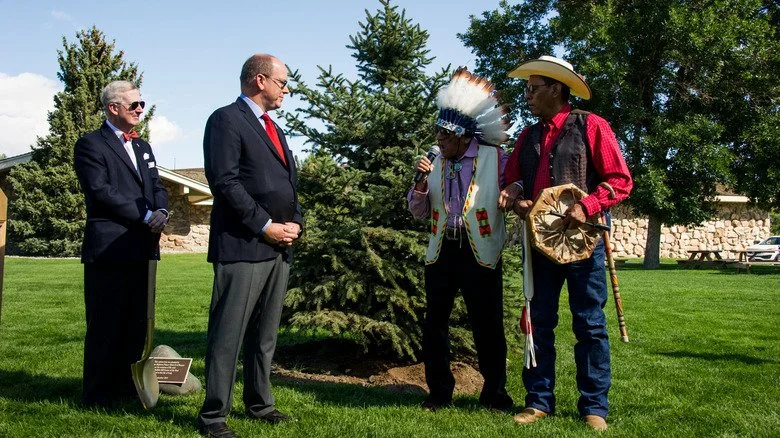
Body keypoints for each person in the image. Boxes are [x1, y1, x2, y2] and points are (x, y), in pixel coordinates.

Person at [499, 55, 633, 431]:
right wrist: (515, 195)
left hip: (583, 246)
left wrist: (588, 205)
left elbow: (620, 180)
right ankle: (538, 401)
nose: (527, 95)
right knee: (538, 323)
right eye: (527, 88)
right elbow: (514, 180)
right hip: (539, 245)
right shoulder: (527, 136)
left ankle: (594, 407)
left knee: (589, 324)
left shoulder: (592, 126)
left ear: (556, 89)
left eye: (533, 88)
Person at [197, 53, 302, 438]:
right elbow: (224, 182)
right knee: (228, 334)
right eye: (282, 82)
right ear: (259, 80)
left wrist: (296, 224)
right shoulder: (226, 120)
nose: (286, 90)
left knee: (265, 335)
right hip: (243, 245)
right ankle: (213, 416)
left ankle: (260, 404)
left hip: (279, 247)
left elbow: (289, 186)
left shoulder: (276, 128)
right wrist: (264, 226)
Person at [408, 68, 514, 413]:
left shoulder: (494, 158)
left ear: (464, 136)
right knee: (435, 323)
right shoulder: (435, 161)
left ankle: (495, 394)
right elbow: (418, 211)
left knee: (487, 324)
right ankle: (438, 392)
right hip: (442, 251)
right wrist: (420, 182)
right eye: (437, 133)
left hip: (480, 251)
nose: (438, 140)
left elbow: (517, 186)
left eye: (444, 135)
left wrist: (517, 190)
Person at [73, 80, 169, 408]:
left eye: (142, 104)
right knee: (105, 323)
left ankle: (127, 387)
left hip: (143, 247)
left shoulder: (143, 147)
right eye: (134, 105)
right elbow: (102, 192)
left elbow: (156, 185)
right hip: (110, 248)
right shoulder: (90, 145)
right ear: (114, 108)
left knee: (135, 323)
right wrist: (146, 216)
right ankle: (97, 394)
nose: (141, 109)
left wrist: (163, 210)